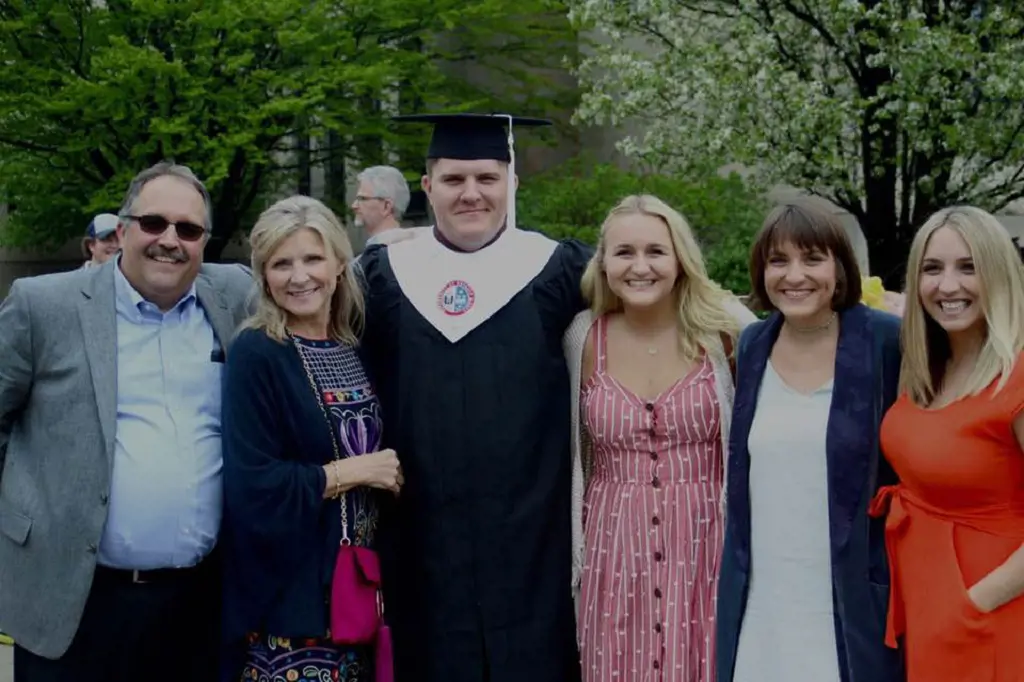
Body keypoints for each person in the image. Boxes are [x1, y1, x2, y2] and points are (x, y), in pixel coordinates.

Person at [358, 112, 593, 682]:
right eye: (454, 179)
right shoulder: (385, 276)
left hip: (532, 545)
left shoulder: (556, 269)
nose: (471, 193)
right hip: (421, 545)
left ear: (512, 184)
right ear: (427, 186)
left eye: (487, 178)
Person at [0, 161, 254, 682]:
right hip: (74, 601)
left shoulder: (234, 296)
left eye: (188, 230)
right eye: (153, 223)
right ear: (121, 231)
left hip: (197, 605)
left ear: (205, 241)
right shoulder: (43, 306)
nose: (170, 240)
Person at [563, 195, 756, 682]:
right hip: (612, 545)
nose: (640, 266)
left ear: (680, 260)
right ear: (603, 263)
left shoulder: (726, 331)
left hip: (707, 540)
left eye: (656, 251)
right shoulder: (582, 339)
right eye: (624, 252)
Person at [716, 200, 904, 682]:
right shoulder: (755, 343)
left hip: (850, 597)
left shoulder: (884, 340)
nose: (794, 275)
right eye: (779, 261)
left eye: (812, 258)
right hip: (764, 596)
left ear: (840, 268)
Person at [220, 195, 402, 681]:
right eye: (282, 264)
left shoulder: (354, 347)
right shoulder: (257, 353)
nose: (299, 277)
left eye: (312, 259)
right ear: (263, 276)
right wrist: (356, 470)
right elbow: (251, 487)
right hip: (292, 603)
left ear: (339, 264)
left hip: (359, 592)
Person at [870, 206, 1024, 680]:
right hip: (926, 604)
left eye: (969, 267)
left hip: (992, 611)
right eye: (932, 269)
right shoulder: (926, 369)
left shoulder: (1017, 377)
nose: (948, 286)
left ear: (999, 274)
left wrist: (976, 602)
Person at [351, 165, 412, 249]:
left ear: (386, 206)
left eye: (362, 199)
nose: (354, 206)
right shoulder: (411, 249)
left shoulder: (384, 254)